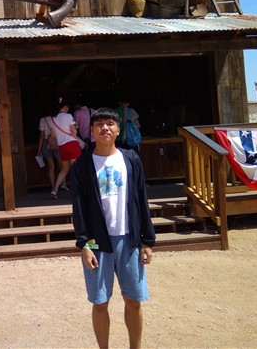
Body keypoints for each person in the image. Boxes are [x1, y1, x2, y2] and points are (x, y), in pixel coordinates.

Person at [70, 107, 155, 349]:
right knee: (100, 302)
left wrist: (147, 240)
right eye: (99, 124)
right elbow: (79, 207)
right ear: (92, 131)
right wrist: (84, 244)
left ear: (118, 130)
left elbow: (142, 199)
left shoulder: (131, 160)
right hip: (97, 241)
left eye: (110, 124)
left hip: (129, 238)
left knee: (134, 300)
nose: (104, 128)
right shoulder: (82, 165)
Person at [48, 96, 81, 199]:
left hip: (61, 146)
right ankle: (77, 191)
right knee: (76, 168)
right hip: (71, 144)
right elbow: (74, 132)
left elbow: (52, 135)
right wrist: (75, 128)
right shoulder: (68, 116)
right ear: (65, 107)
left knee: (64, 169)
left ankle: (55, 189)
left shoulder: (52, 119)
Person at [37, 108, 67, 194]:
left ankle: (53, 187)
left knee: (51, 166)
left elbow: (42, 135)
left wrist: (39, 149)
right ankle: (63, 183)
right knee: (61, 165)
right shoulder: (57, 118)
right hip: (57, 142)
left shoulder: (43, 119)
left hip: (47, 143)